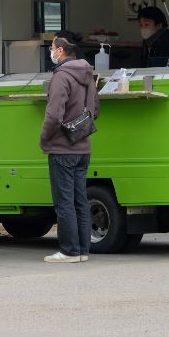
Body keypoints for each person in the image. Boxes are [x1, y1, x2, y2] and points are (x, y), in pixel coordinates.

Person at [39, 36, 99, 263]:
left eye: (52, 48)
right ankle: (83, 250)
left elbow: (54, 114)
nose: (51, 52)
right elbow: (95, 109)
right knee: (80, 200)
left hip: (62, 147)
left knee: (64, 202)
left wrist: (44, 138)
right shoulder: (87, 74)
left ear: (61, 51)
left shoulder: (61, 76)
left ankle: (69, 250)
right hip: (83, 146)